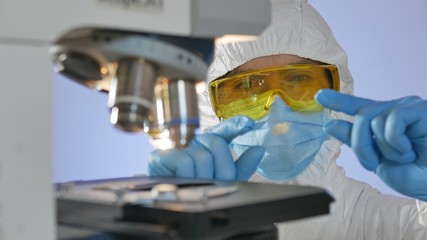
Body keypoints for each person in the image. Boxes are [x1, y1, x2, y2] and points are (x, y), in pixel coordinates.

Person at [148, 0, 427, 238]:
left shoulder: (383, 227)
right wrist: (161, 226)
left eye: (298, 79)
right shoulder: (179, 218)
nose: (278, 109)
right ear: (209, 108)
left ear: (339, 89)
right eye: (246, 87)